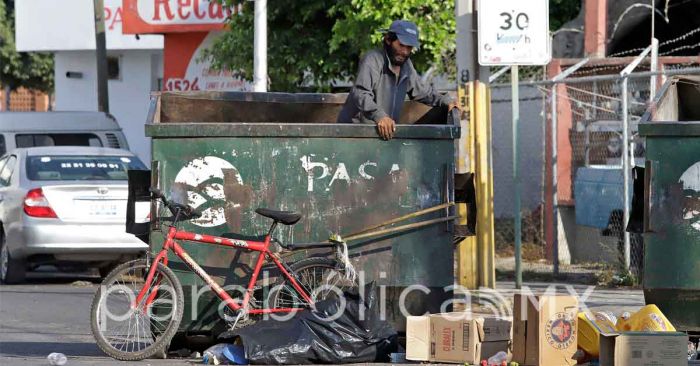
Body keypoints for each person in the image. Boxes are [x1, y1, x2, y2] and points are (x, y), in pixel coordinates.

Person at [337, 20, 460, 139]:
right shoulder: (373, 60)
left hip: (383, 134)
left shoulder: (406, 65)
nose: (405, 52)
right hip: (356, 134)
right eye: (401, 45)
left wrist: (445, 100)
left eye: (409, 47)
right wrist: (379, 116)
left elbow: (422, 91)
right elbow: (361, 93)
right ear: (388, 40)